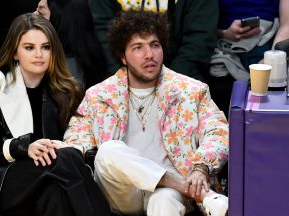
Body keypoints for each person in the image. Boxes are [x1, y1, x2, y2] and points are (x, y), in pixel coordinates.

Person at [64, 10, 229, 216]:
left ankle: (179, 186)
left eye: (154, 45)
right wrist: (71, 149)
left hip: (170, 193)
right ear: (123, 57)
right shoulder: (99, 96)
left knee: (164, 199)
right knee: (108, 151)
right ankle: (201, 194)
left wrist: (201, 168)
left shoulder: (191, 91)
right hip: (123, 192)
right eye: (138, 47)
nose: (149, 54)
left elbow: (219, 132)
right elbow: (75, 140)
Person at [0, 13, 110, 216]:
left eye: (45, 47)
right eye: (29, 48)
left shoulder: (65, 91)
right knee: (65, 158)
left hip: (52, 175)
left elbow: (80, 138)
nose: (39, 54)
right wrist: (25, 146)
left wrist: (69, 147)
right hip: (2, 180)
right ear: (15, 52)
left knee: (55, 194)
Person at [88, 0, 218, 82]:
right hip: (121, 76)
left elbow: (199, 38)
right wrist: (124, 79)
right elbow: (103, 33)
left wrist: (171, 82)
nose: (149, 54)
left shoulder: (193, 93)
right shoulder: (99, 98)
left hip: (183, 76)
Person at [209, 0, 289, 116]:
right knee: (222, 90)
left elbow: (286, 25)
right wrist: (224, 33)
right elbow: (201, 26)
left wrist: (270, 59)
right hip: (224, 46)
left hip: (269, 42)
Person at [34, 0, 107, 89]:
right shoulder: (78, 66)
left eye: (41, 14)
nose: (33, 15)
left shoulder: (67, 74)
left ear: (62, 21)